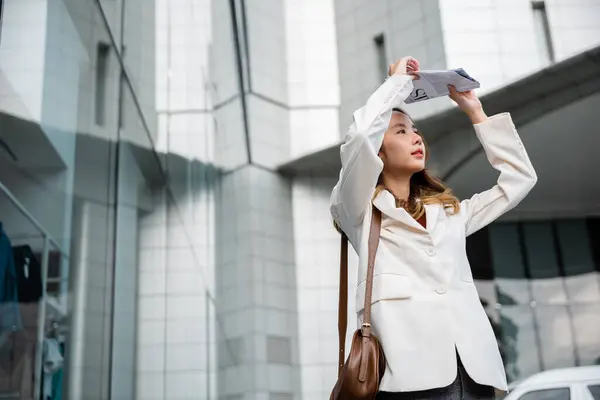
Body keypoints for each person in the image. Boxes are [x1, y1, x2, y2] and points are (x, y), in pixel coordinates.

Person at [330, 56, 537, 399]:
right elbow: (360, 139)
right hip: (410, 382)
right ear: (378, 152)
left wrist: (475, 112)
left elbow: (519, 180)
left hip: (474, 375)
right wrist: (397, 84)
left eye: (417, 132)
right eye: (401, 131)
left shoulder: (450, 214)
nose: (416, 138)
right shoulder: (357, 211)